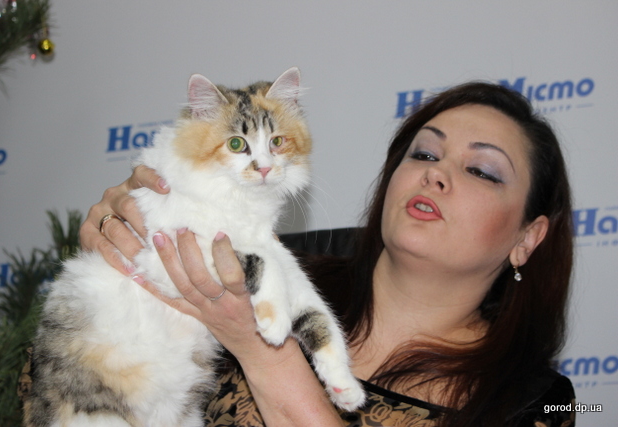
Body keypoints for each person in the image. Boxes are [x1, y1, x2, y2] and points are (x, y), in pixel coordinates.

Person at [80, 82, 576, 426]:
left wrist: (258, 344)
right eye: (424, 153)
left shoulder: (541, 404)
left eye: (482, 171)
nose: (435, 174)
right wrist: (125, 238)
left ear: (527, 239)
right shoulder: (256, 267)